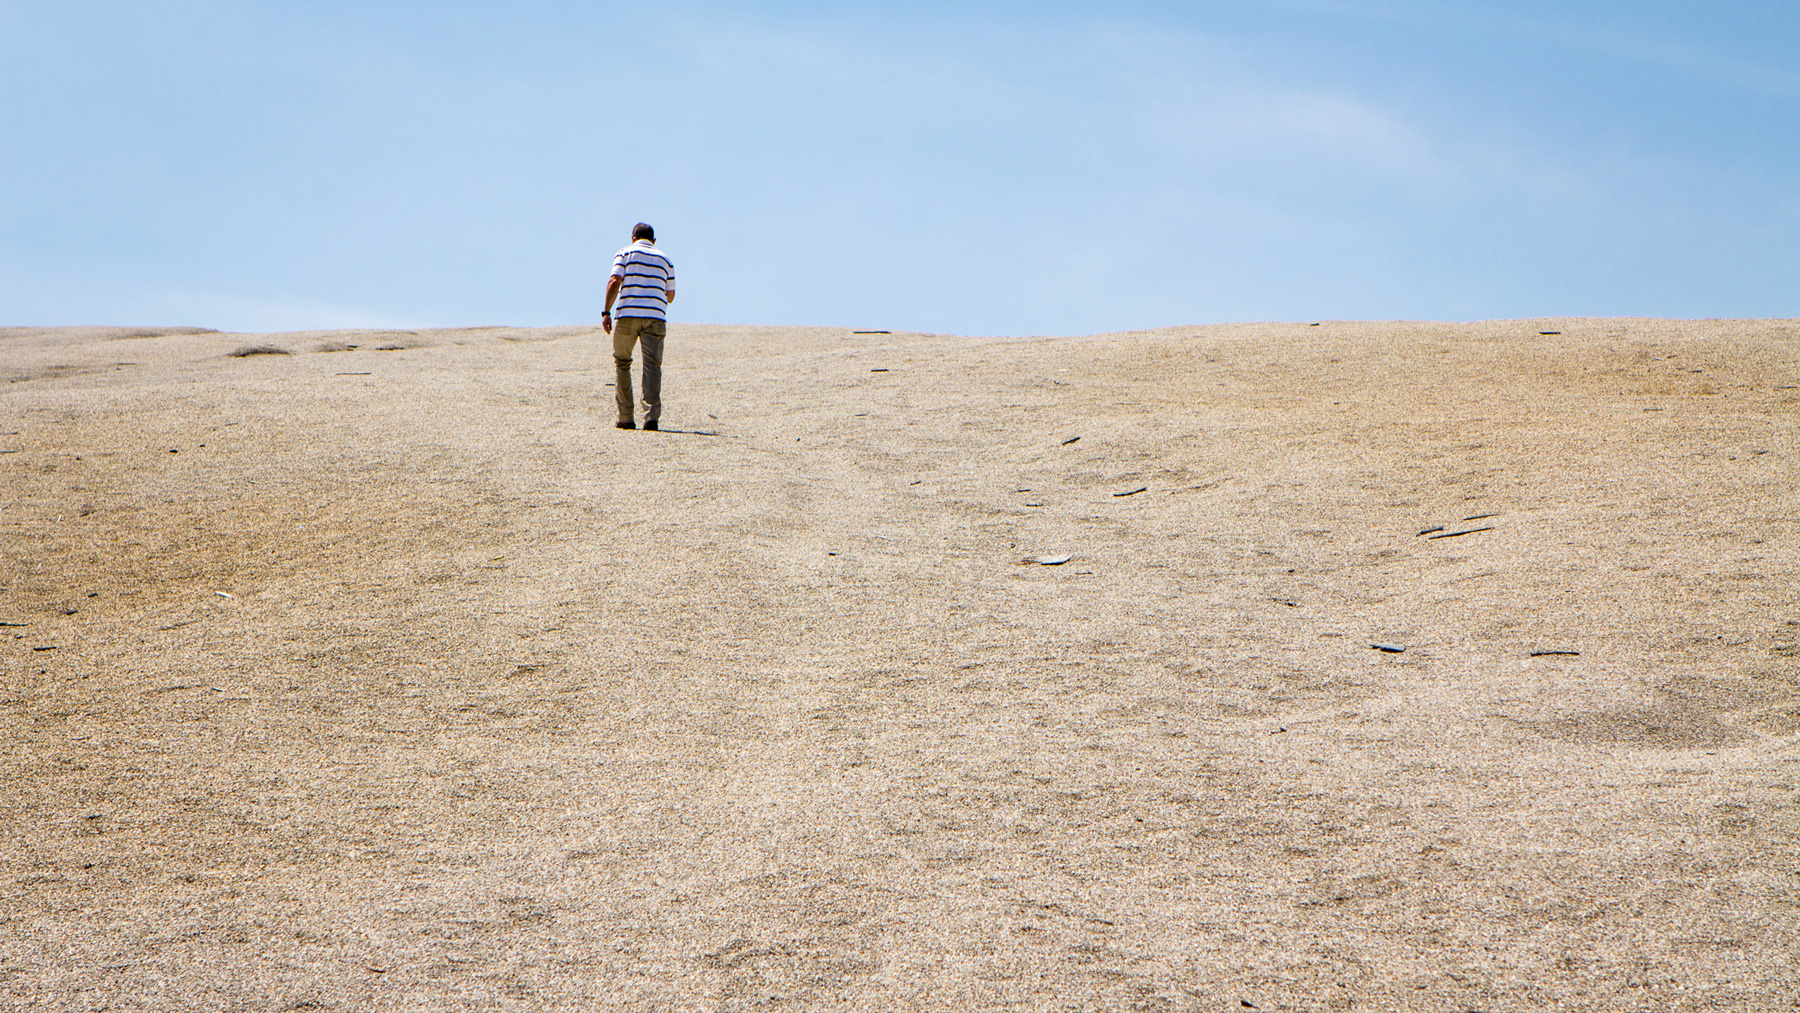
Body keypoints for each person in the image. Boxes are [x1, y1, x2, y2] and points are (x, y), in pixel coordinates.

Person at [602, 223, 676, 430]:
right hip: (655, 317)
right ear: (653, 240)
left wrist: (606, 312)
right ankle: (651, 418)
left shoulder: (624, 252)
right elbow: (670, 296)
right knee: (652, 366)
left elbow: (615, 280)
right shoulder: (665, 258)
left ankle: (625, 417)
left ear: (633, 237)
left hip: (627, 314)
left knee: (623, 362)